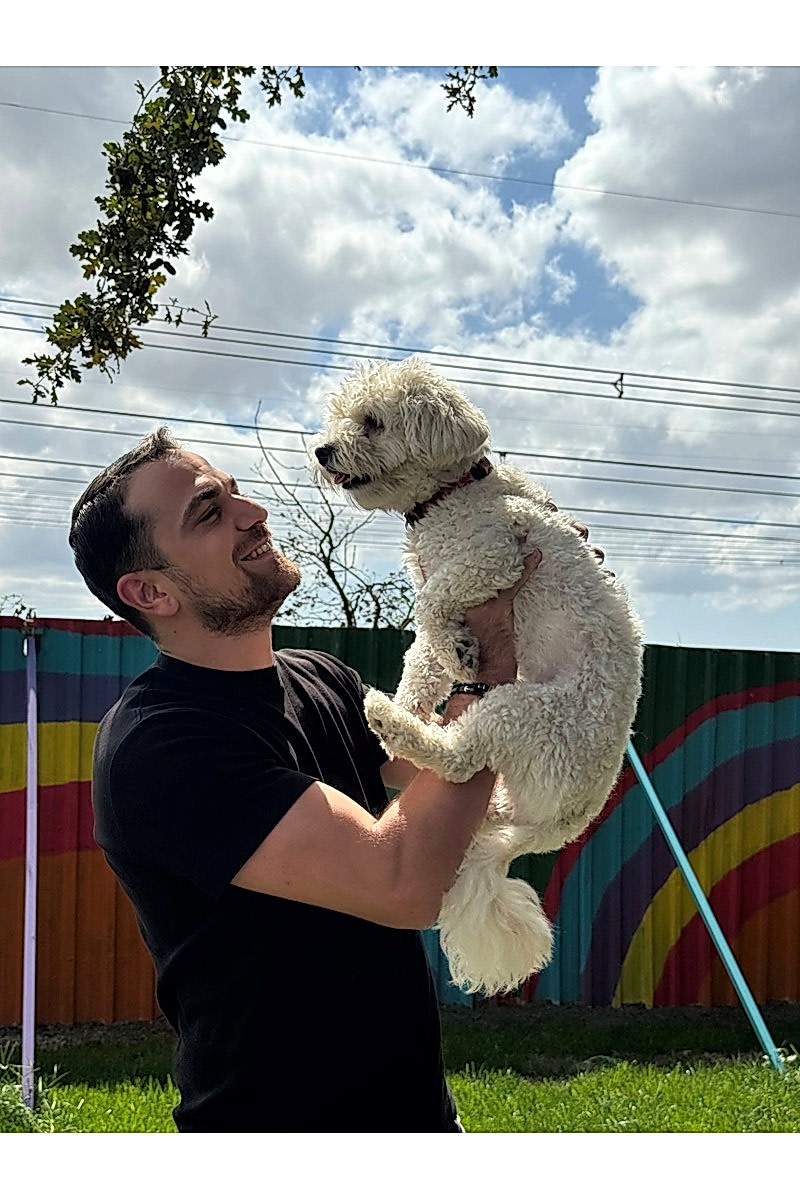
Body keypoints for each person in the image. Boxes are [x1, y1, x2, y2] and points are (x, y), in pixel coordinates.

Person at [69, 427, 544, 1133]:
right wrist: (490, 664)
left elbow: (442, 780)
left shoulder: (318, 677)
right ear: (150, 592)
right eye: (209, 512)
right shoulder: (161, 747)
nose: (253, 512)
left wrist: (536, 610)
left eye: (234, 492)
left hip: (417, 1117)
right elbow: (400, 880)